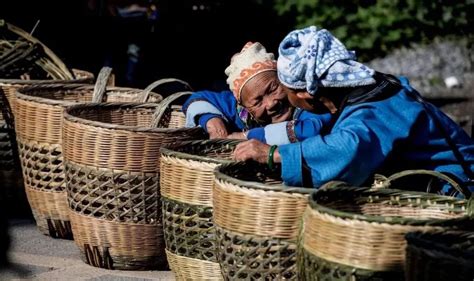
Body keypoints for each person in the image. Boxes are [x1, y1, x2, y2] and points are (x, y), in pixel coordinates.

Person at [233, 26, 474, 196]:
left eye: (284, 90)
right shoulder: (368, 86)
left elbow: (348, 149)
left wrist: (271, 153)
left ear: (306, 94)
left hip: (455, 188)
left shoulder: (373, 111)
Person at [183, 41, 332, 145]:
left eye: (273, 89)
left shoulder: (307, 101)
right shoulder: (240, 111)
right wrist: (212, 122)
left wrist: (245, 136)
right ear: (245, 106)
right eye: (257, 101)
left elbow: (310, 129)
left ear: (284, 81)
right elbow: (197, 98)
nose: (271, 103)